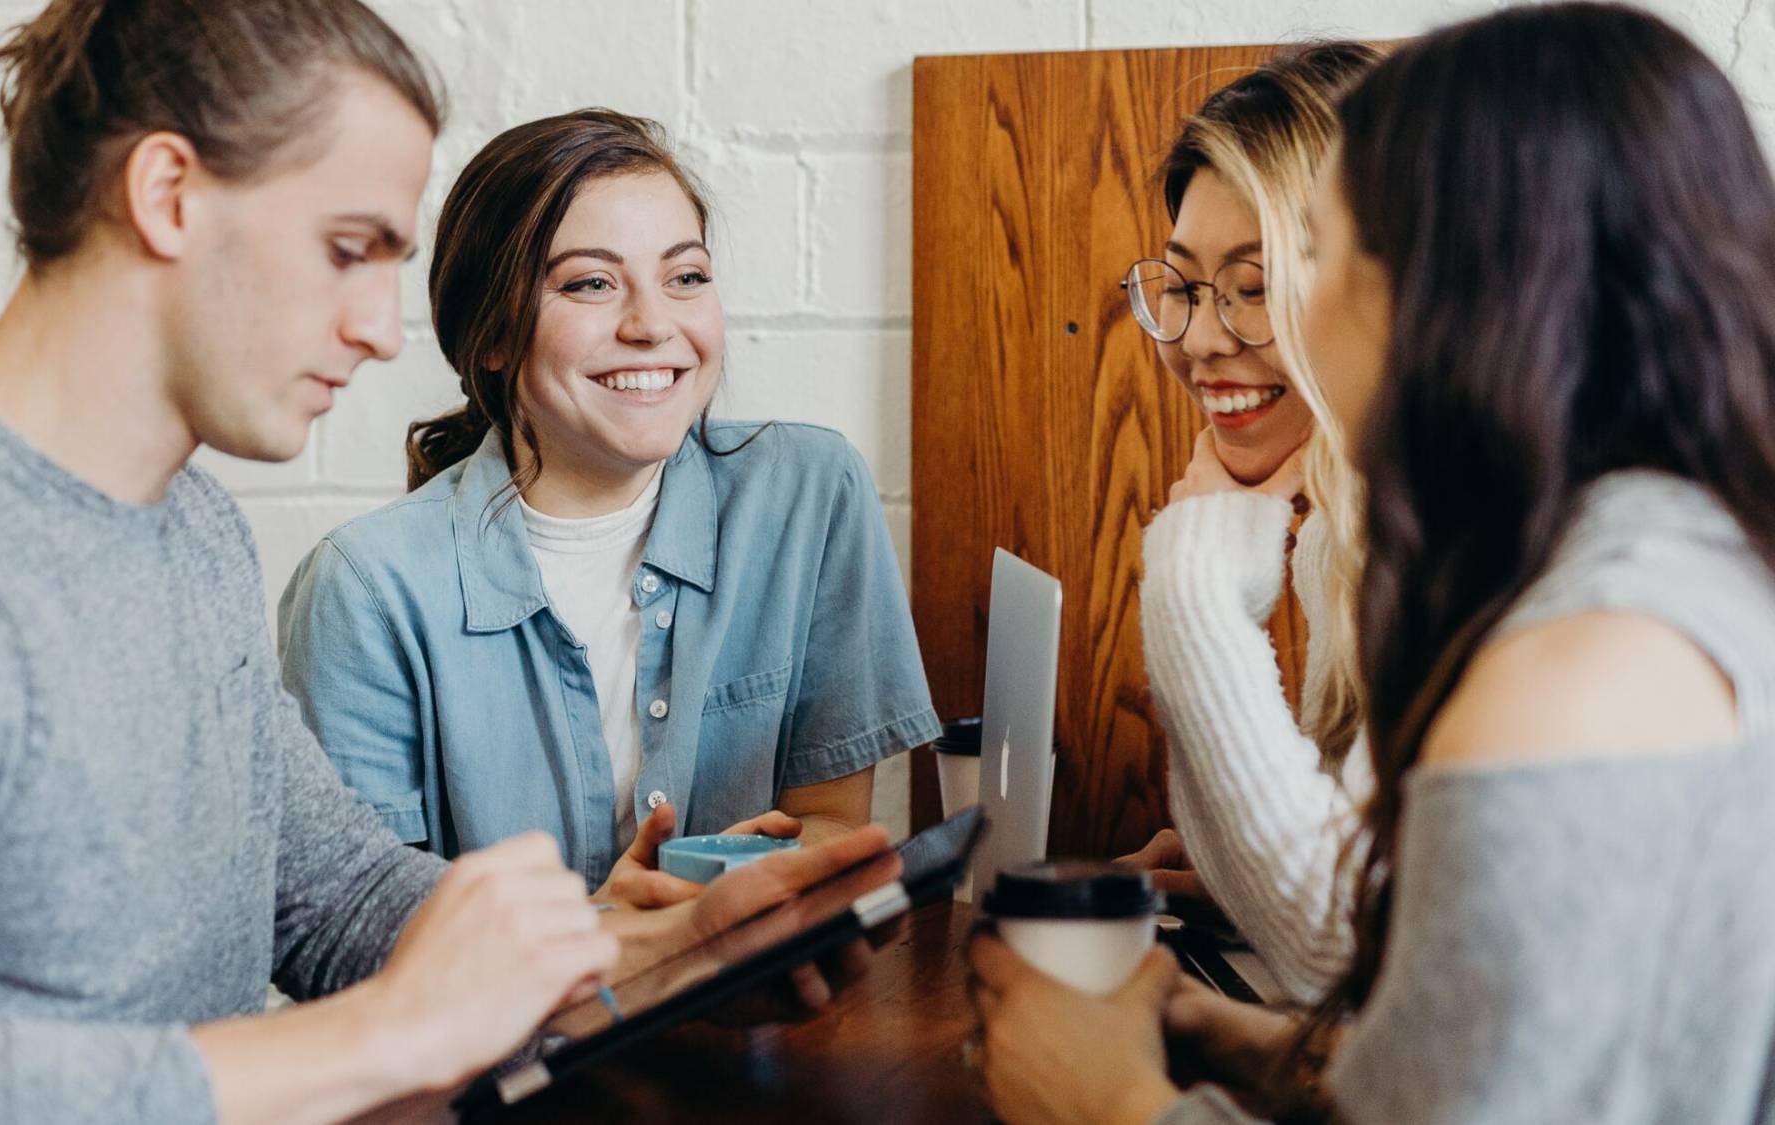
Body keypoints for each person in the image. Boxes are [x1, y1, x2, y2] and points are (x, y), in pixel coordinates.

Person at [0, 3, 893, 1122]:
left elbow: (338, 902)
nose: (379, 329)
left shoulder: (189, 531)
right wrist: (390, 1033)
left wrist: (658, 959)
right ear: (167, 196)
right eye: (346, 250)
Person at [970, 4, 1775, 1123]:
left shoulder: (1573, 670)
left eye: (1316, 251)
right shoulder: (1656, 566)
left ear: (1458, 286)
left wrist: (1106, 1103)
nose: (1270, 313)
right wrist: (1245, 1045)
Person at [278, 108, 941, 903]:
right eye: (591, 283)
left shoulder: (808, 495)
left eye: (685, 277)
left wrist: (731, 892)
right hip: (511, 1028)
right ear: (490, 335)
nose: (653, 324)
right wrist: (611, 935)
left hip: (755, 1013)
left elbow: (832, 824)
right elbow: (363, 932)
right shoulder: (364, 589)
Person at [1118, 43, 1381, 1003]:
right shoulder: (1342, 533)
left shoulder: (1457, 538)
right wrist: (1238, 872)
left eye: (1256, 284)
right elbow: (1362, 916)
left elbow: (1338, 950)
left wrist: (1192, 581)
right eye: (1183, 285)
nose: (1198, 338)